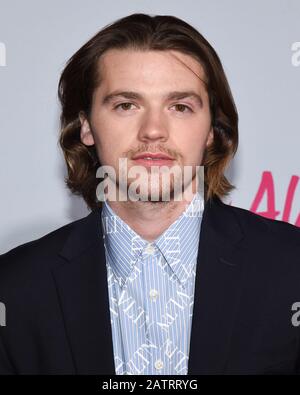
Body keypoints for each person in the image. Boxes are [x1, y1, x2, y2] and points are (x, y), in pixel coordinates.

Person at [0, 13, 299, 375]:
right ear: (86, 126)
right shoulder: (15, 287)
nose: (153, 130)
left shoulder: (291, 268)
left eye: (180, 107)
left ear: (210, 131)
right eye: (127, 105)